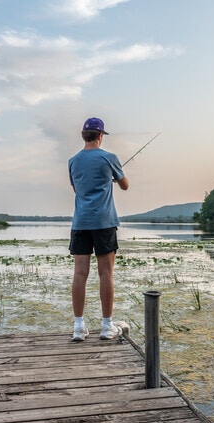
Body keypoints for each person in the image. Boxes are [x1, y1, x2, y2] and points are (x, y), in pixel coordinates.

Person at [68, 117, 129, 341]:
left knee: (80, 274)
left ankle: (78, 327)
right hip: (104, 222)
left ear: (84, 135)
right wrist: (111, 178)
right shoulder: (109, 158)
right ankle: (106, 326)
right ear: (101, 136)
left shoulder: (73, 161)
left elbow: (77, 189)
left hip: (80, 223)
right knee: (106, 274)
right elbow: (125, 185)